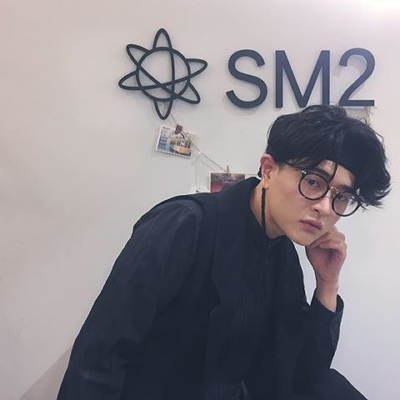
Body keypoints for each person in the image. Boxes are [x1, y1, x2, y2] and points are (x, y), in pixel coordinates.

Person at [57, 105, 391, 400]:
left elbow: (301, 374)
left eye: (341, 197)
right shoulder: (185, 225)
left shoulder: (282, 250)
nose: (325, 208)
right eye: (314, 182)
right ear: (269, 170)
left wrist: (327, 284)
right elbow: (98, 358)